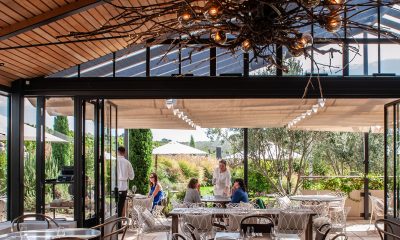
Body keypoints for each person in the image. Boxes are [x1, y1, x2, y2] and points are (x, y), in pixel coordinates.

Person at [117, 146, 134, 219]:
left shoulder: (114, 161)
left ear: (117, 152)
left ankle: (114, 224)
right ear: (124, 153)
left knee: (114, 206)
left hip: (115, 185)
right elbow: (132, 177)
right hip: (123, 187)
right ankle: (119, 225)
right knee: (120, 206)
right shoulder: (127, 163)